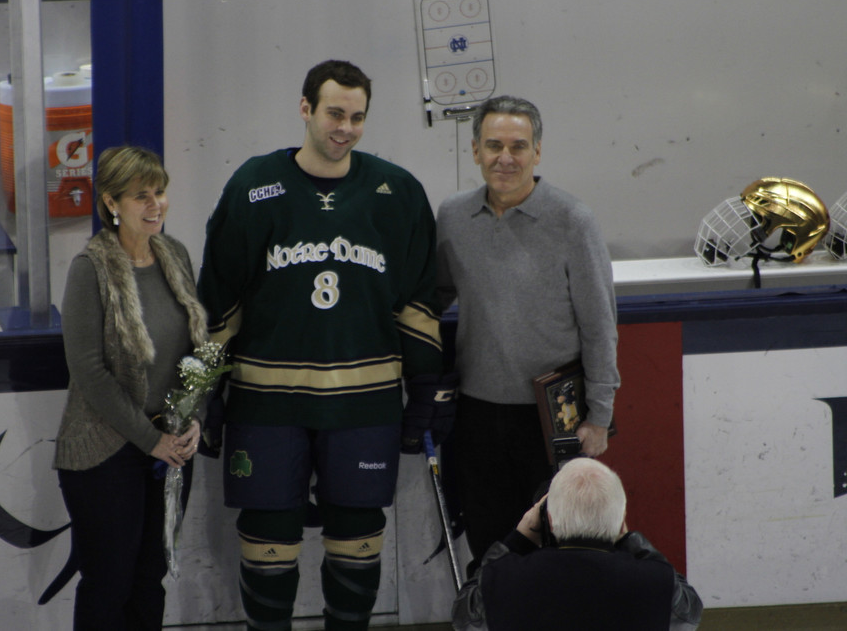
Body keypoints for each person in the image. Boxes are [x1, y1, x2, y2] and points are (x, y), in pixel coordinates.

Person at [198, 59, 456, 631]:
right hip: (267, 405)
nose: (346, 128)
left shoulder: (397, 192)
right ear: (305, 109)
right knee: (267, 537)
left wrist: (425, 387)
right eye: (335, 113)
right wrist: (204, 390)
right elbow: (217, 302)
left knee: (357, 535)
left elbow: (416, 302)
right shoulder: (253, 187)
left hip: (364, 405)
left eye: (357, 117)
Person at [436, 95, 620, 573]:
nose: (506, 158)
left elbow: (600, 325)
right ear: (474, 150)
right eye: (493, 145)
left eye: (518, 146)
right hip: (476, 414)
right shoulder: (452, 217)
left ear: (537, 151)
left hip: (555, 421)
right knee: (489, 546)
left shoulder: (573, 220)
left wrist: (600, 415)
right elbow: (431, 298)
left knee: (560, 551)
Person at [53, 145, 209, 630]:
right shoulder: (91, 267)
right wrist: (150, 440)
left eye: (160, 192)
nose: (156, 204)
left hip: (169, 445)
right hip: (105, 451)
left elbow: (197, 351)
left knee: (148, 579)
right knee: (109, 582)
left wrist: (196, 417)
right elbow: (88, 371)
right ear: (111, 202)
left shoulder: (174, 255)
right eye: (142, 196)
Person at [452, 457, 702, 631]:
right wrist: (631, 541)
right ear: (620, 520)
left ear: (549, 520)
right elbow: (689, 614)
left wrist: (518, 540)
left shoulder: (503, 578)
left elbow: (463, 618)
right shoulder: (655, 581)